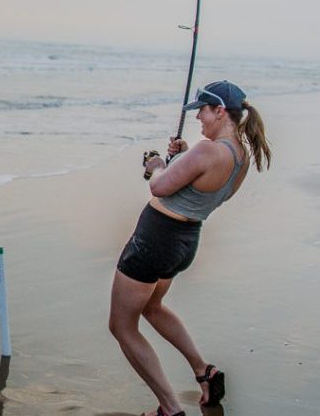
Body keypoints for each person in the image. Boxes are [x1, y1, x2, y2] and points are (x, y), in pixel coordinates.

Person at [109, 80, 271, 416]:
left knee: (122, 327)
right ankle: (204, 372)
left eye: (202, 111)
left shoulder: (208, 150)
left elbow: (159, 187)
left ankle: (169, 408)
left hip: (154, 240)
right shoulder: (239, 155)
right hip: (184, 242)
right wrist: (182, 157)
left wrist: (157, 164)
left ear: (220, 111)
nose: (198, 119)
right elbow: (203, 190)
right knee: (152, 307)